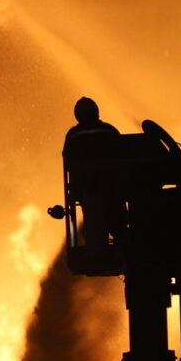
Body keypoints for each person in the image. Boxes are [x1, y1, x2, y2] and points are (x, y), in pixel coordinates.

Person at [63, 97, 122, 248]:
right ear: (96, 111)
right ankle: (121, 239)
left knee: (92, 218)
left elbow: (67, 158)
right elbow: (122, 152)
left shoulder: (73, 134)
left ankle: (97, 247)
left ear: (77, 114)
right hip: (113, 185)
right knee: (116, 217)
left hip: (85, 186)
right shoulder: (109, 130)